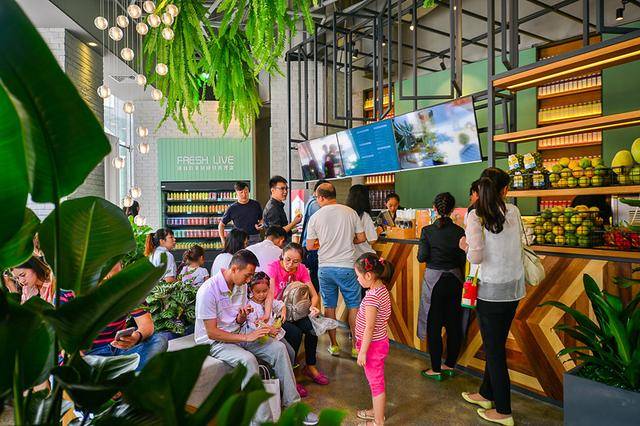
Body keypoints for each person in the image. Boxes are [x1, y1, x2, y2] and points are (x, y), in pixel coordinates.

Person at [194, 250, 305, 423]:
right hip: (215, 342)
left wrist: (242, 317)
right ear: (234, 269)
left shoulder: (241, 285)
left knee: (279, 348)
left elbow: (237, 320)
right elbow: (212, 332)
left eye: (251, 276)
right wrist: (247, 337)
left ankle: (294, 406)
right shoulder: (208, 290)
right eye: (247, 275)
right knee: (248, 360)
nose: (249, 280)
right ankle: (262, 421)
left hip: (238, 332)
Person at [460, 168, 524, 426]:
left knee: (494, 351)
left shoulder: (475, 215)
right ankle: (486, 394)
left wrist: (464, 245)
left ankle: (504, 411)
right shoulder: (514, 212)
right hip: (513, 289)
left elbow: (475, 256)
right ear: (504, 190)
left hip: (490, 291)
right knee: (495, 345)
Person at [59, 262, 168, 371]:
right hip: (90, 354)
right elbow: (60, 337)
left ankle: (112, 372)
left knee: (159, 340)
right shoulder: (69, 292)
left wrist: (136, 337)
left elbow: (146, 325)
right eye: (104, 279)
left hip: (120, 350)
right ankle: (119, 372)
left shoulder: (129, 288)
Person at [306, 182, 366, 358]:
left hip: (325, 268)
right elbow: (362, 238)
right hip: (347, 266)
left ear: (321, 197)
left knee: (329, 306)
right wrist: (347, 241)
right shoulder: (350, 212)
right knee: (354, 306)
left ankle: (334, 345)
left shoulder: (315, 217)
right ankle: (355, 347)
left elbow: (309, 246)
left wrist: (324, 244)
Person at [417, 192, 466, 381]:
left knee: (434, 325)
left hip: (434, 283)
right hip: (455, 281)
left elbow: (421, 257)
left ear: (434, 208)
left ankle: (436, 369)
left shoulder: (427, 231)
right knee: (454, 324)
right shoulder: (460, 231)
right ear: (453, 209)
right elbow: (462, 258)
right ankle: (450, 365)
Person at [266, 243, 328, 388]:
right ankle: (291, 374)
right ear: (282, 255)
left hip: (296, 312)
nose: (291, 265)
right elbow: (270, 296)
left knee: (312, 328)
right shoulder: (273, 267)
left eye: (296, 261)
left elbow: (314, 295)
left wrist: (312, 308)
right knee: (295, 333)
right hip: (278, 313)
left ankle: (310, 367)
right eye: (287, 259)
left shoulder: (301, 269)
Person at [354, 253, 393, 426]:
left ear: (368, 275)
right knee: (375, 381)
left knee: (376, 384)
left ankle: (378, 421)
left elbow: (369, 328)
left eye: (358, 275)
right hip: (378, 342)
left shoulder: (372, 297)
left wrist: (363, 352)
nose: (357, 279)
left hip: (372, 347)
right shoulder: (381, 289)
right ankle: (376, 412)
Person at [301, 179, 329, 293]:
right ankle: (315, 299)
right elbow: (321, 225)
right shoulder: (315, 204)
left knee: (314, 274)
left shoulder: (311, 202)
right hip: (313, 246)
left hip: (311, 245)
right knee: (315, 276)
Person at [346, 184, 379, 258]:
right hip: (364, 257)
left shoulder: (346, 213)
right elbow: (372, 240)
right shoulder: (364, 216)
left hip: (349, 257)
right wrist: (378, 232)